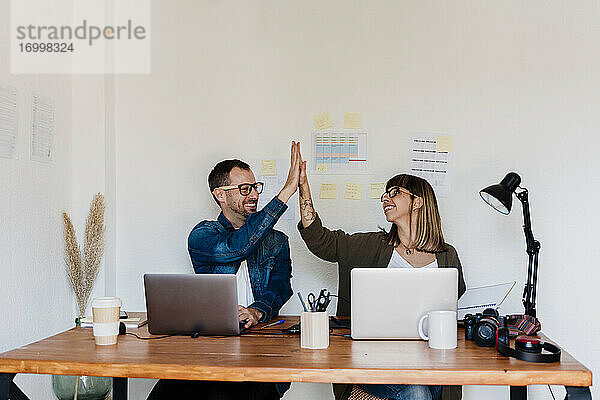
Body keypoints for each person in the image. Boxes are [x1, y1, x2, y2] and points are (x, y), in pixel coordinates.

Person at [296, 156, 466, 400]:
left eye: (394, 192)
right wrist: (303, 188)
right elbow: (319, 240)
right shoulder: (370, 245)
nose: (385, 198)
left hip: (429, 359)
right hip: (373, 360)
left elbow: (453, 300)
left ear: (417, 202)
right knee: (418, 393)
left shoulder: (447, 255)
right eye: (384, 194)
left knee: (439, 388)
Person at [147, 142, 301, 400]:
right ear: (220, 195)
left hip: (261, 345)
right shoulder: (203, 235)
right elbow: (240, 246)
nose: (253, 194)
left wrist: (256, 310)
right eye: (244, 189)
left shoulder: (278, 241)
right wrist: (286, 191)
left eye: (255, 187)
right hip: (209, 345)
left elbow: (280, 287)